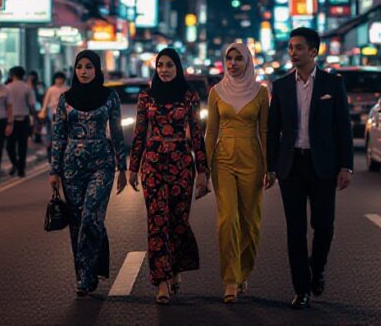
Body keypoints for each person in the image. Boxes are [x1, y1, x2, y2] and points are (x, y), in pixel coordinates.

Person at [267, 27, 354, 310]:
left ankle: (317, 268)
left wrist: (346, 166)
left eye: (299, 48)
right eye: (291, 47)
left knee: (324, 226)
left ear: (313, 52)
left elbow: (343, 127)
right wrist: (270, 167)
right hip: (291, 166)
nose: (293, 52)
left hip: (324, 167)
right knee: (295, 230)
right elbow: (273, 130)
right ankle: (301, 288)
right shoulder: (280, 86)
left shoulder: (332, 84)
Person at [128, 48, 209, 304]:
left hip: (181, 162)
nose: (164, 70)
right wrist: (132, 167)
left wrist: (203, 172)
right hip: (152, 162)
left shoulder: (189, 97)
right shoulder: (146, 97)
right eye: (160, 65)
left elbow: (196, 134)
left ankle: (175, 268)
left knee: (178, 219)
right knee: (157, 220)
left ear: (178, 68)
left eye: (169, 65)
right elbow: (139, 134)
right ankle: (161, 281)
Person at [49, 51, 127, 296]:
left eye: (89, 67)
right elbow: (58, 136)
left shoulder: (109, 97)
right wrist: (55, 170)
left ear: (97, 70)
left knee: (91, 217)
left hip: (101, 164)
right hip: (72, 166)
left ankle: (92, 267)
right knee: (76, 222)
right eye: (80, 67)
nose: (83, 71)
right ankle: (85, 275)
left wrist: (122, 166)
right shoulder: (65, 99)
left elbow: (116, 132)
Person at [205, 42, 269, 303]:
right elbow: (211, 132)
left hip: (252, 159)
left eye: (238, 59)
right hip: (223, 160)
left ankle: (243, 272)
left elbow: (264, 132)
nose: (232, 63)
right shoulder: (216, 92)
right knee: (227, 219)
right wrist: (204, 169)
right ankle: (230, 279)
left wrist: (269, 167)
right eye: (229, 58)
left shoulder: (261, 92)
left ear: (248, 62)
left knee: (250, 222)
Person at [5, 67, 34, 177]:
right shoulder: (27, 88)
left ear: (12, 75)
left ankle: (15, 163)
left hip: (11, 120)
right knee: (22, 146)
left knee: (9, 146)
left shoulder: (7, 88)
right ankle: (21, 169)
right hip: (24, 119)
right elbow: (31, 105)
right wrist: (34, 119)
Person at [40, 72, 68, 156]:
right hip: (52, 112)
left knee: (63, 130)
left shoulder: (66, 89)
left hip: (63, 112)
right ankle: (51, 147)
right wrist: (43, 110)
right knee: (52, 130)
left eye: (61, 78)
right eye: (57, 78)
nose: (59, 80)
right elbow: (46, 101)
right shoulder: (51, 89)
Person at [28, 70, 45, 144]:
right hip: (29, 106)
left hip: (37, 105)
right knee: (31, 121)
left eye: (33, 76)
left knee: (38, 121)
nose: (31, 78)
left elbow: (42, 94)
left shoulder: (39, 84)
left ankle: (37, 136)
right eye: (30, 76)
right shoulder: (27, 85)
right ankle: (31, 136)